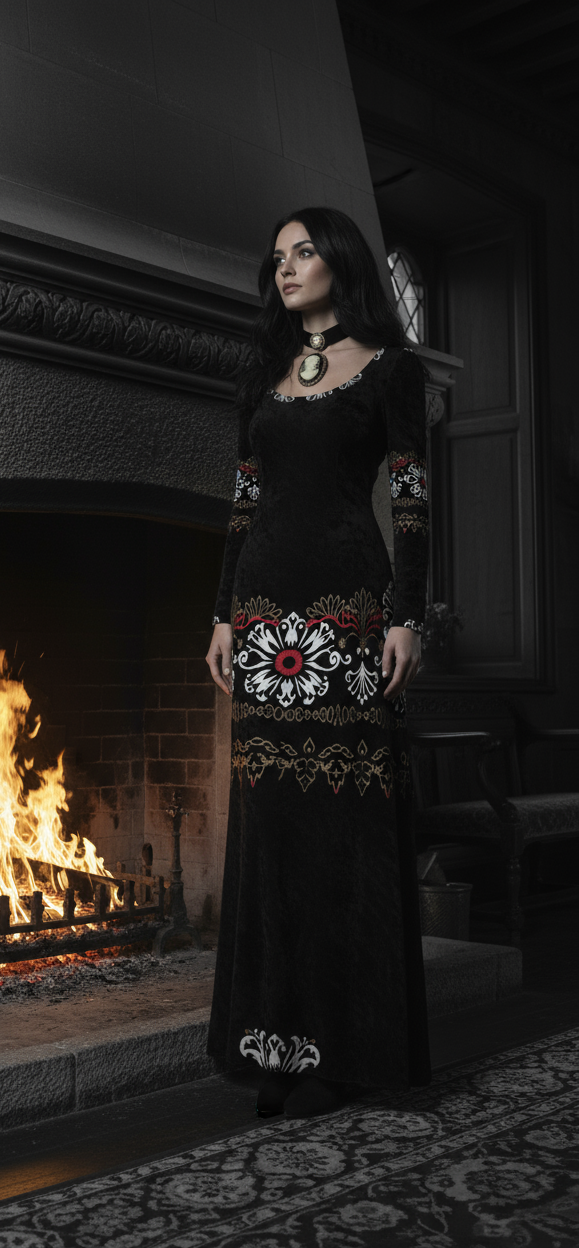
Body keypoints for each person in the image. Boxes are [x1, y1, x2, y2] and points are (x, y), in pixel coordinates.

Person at [205, 206, 431, 1120]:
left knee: (346, 828)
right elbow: (240, 503)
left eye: (303, 252)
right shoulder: (261, 371)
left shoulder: (391, 369)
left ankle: (351, 1044)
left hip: (348, 616)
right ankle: (274, 1047)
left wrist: (407, 617)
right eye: (277, 257)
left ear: (340, 260)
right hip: (262, 622)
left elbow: (411, 502)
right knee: (271, 828)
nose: (286, 266)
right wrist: (221, 613)